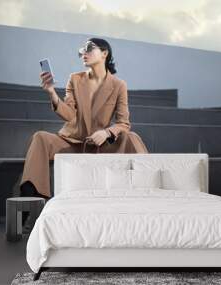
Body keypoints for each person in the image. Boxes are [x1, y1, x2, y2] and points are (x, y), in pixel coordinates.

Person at [20, 37, 149, 200]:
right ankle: (30, 200)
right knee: (40, 138)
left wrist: (107, 133)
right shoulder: (75, 79)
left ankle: (149, 188)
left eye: (89, 48)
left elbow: (123, 123)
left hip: (100, 146)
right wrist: (52, 92)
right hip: (72, 143)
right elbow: (70, 115)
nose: (83, 53)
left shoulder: (119, 85)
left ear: (104, 53)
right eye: (82, 50)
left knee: (132, 138)